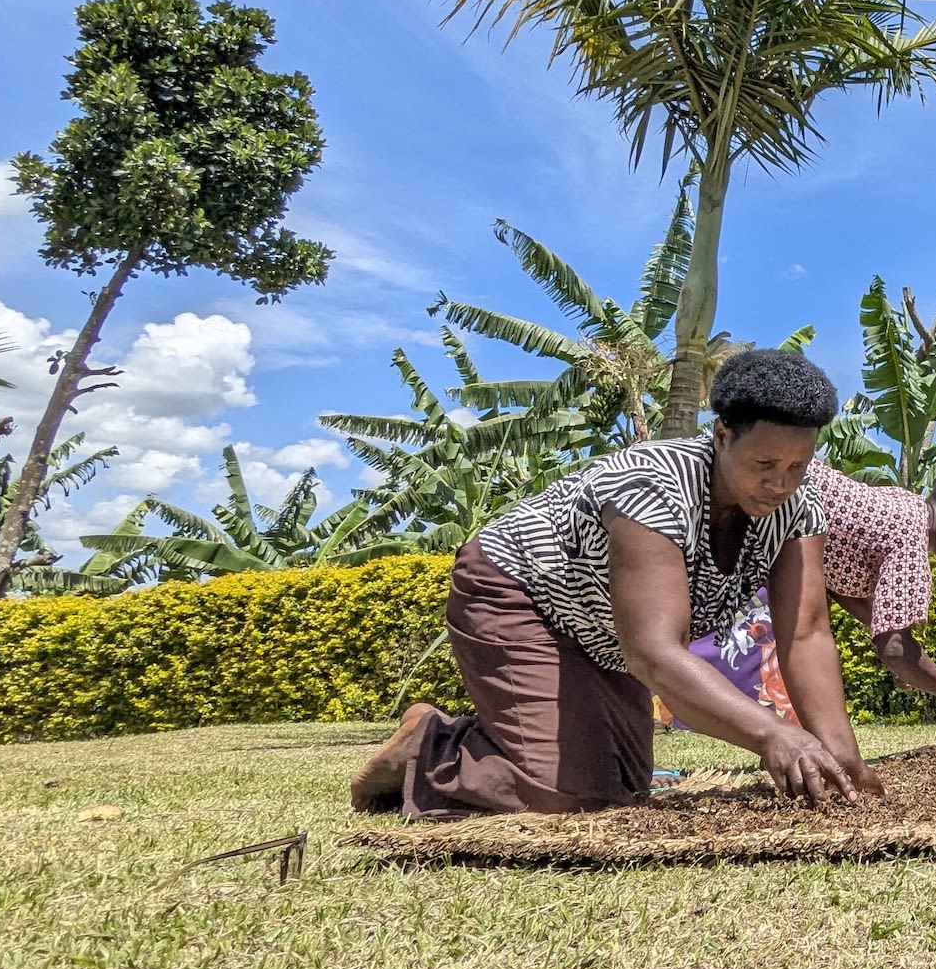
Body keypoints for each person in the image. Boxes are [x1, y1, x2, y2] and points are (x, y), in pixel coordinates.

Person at [348, 348, 876, 818]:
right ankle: (430, 742)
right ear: (721, 436)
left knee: (624, 785)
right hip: (519, 592)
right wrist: (773, 734)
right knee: (572, 796)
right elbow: (653, 652)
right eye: (765, 462)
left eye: (797, 466)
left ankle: (500, 745)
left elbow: (805, 635)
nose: (780, 483)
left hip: (606, 636)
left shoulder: (798, 514)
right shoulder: (651, 486)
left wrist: (839, 752)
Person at [661, 464, 936, 731]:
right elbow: (894, 649)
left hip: (742, 488)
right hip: (755, 505)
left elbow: (845, 587)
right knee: (669, 637)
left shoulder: (902, 503)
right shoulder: (911, 542)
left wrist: (908, 658)